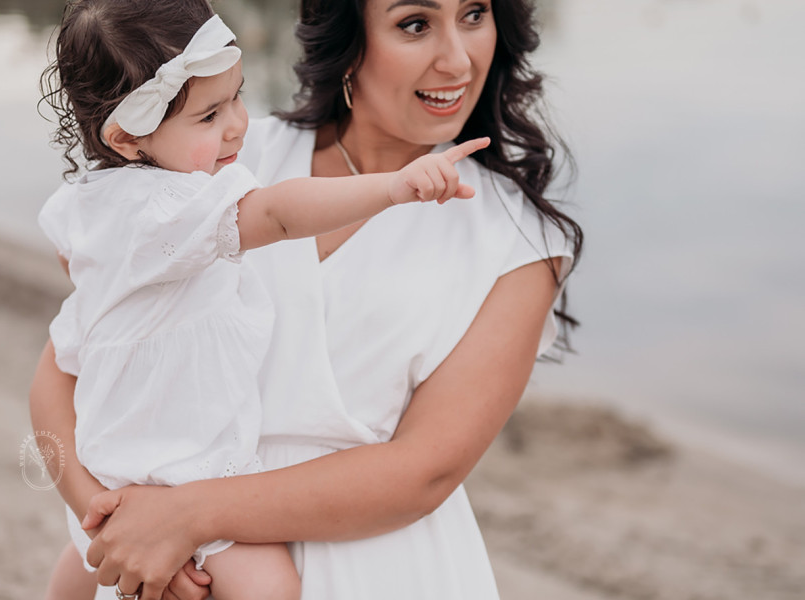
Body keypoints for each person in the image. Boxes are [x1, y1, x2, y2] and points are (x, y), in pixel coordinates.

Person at [30, 0, 584, 598]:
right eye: (416, 24)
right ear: (352, 38)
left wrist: (188, 515)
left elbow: (425, 471)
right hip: (167, 560)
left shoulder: (519, 238)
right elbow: (72, 370)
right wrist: (110, 521)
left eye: (475, 15)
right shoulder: (221, 156)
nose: (457, 58)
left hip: (374, 569)